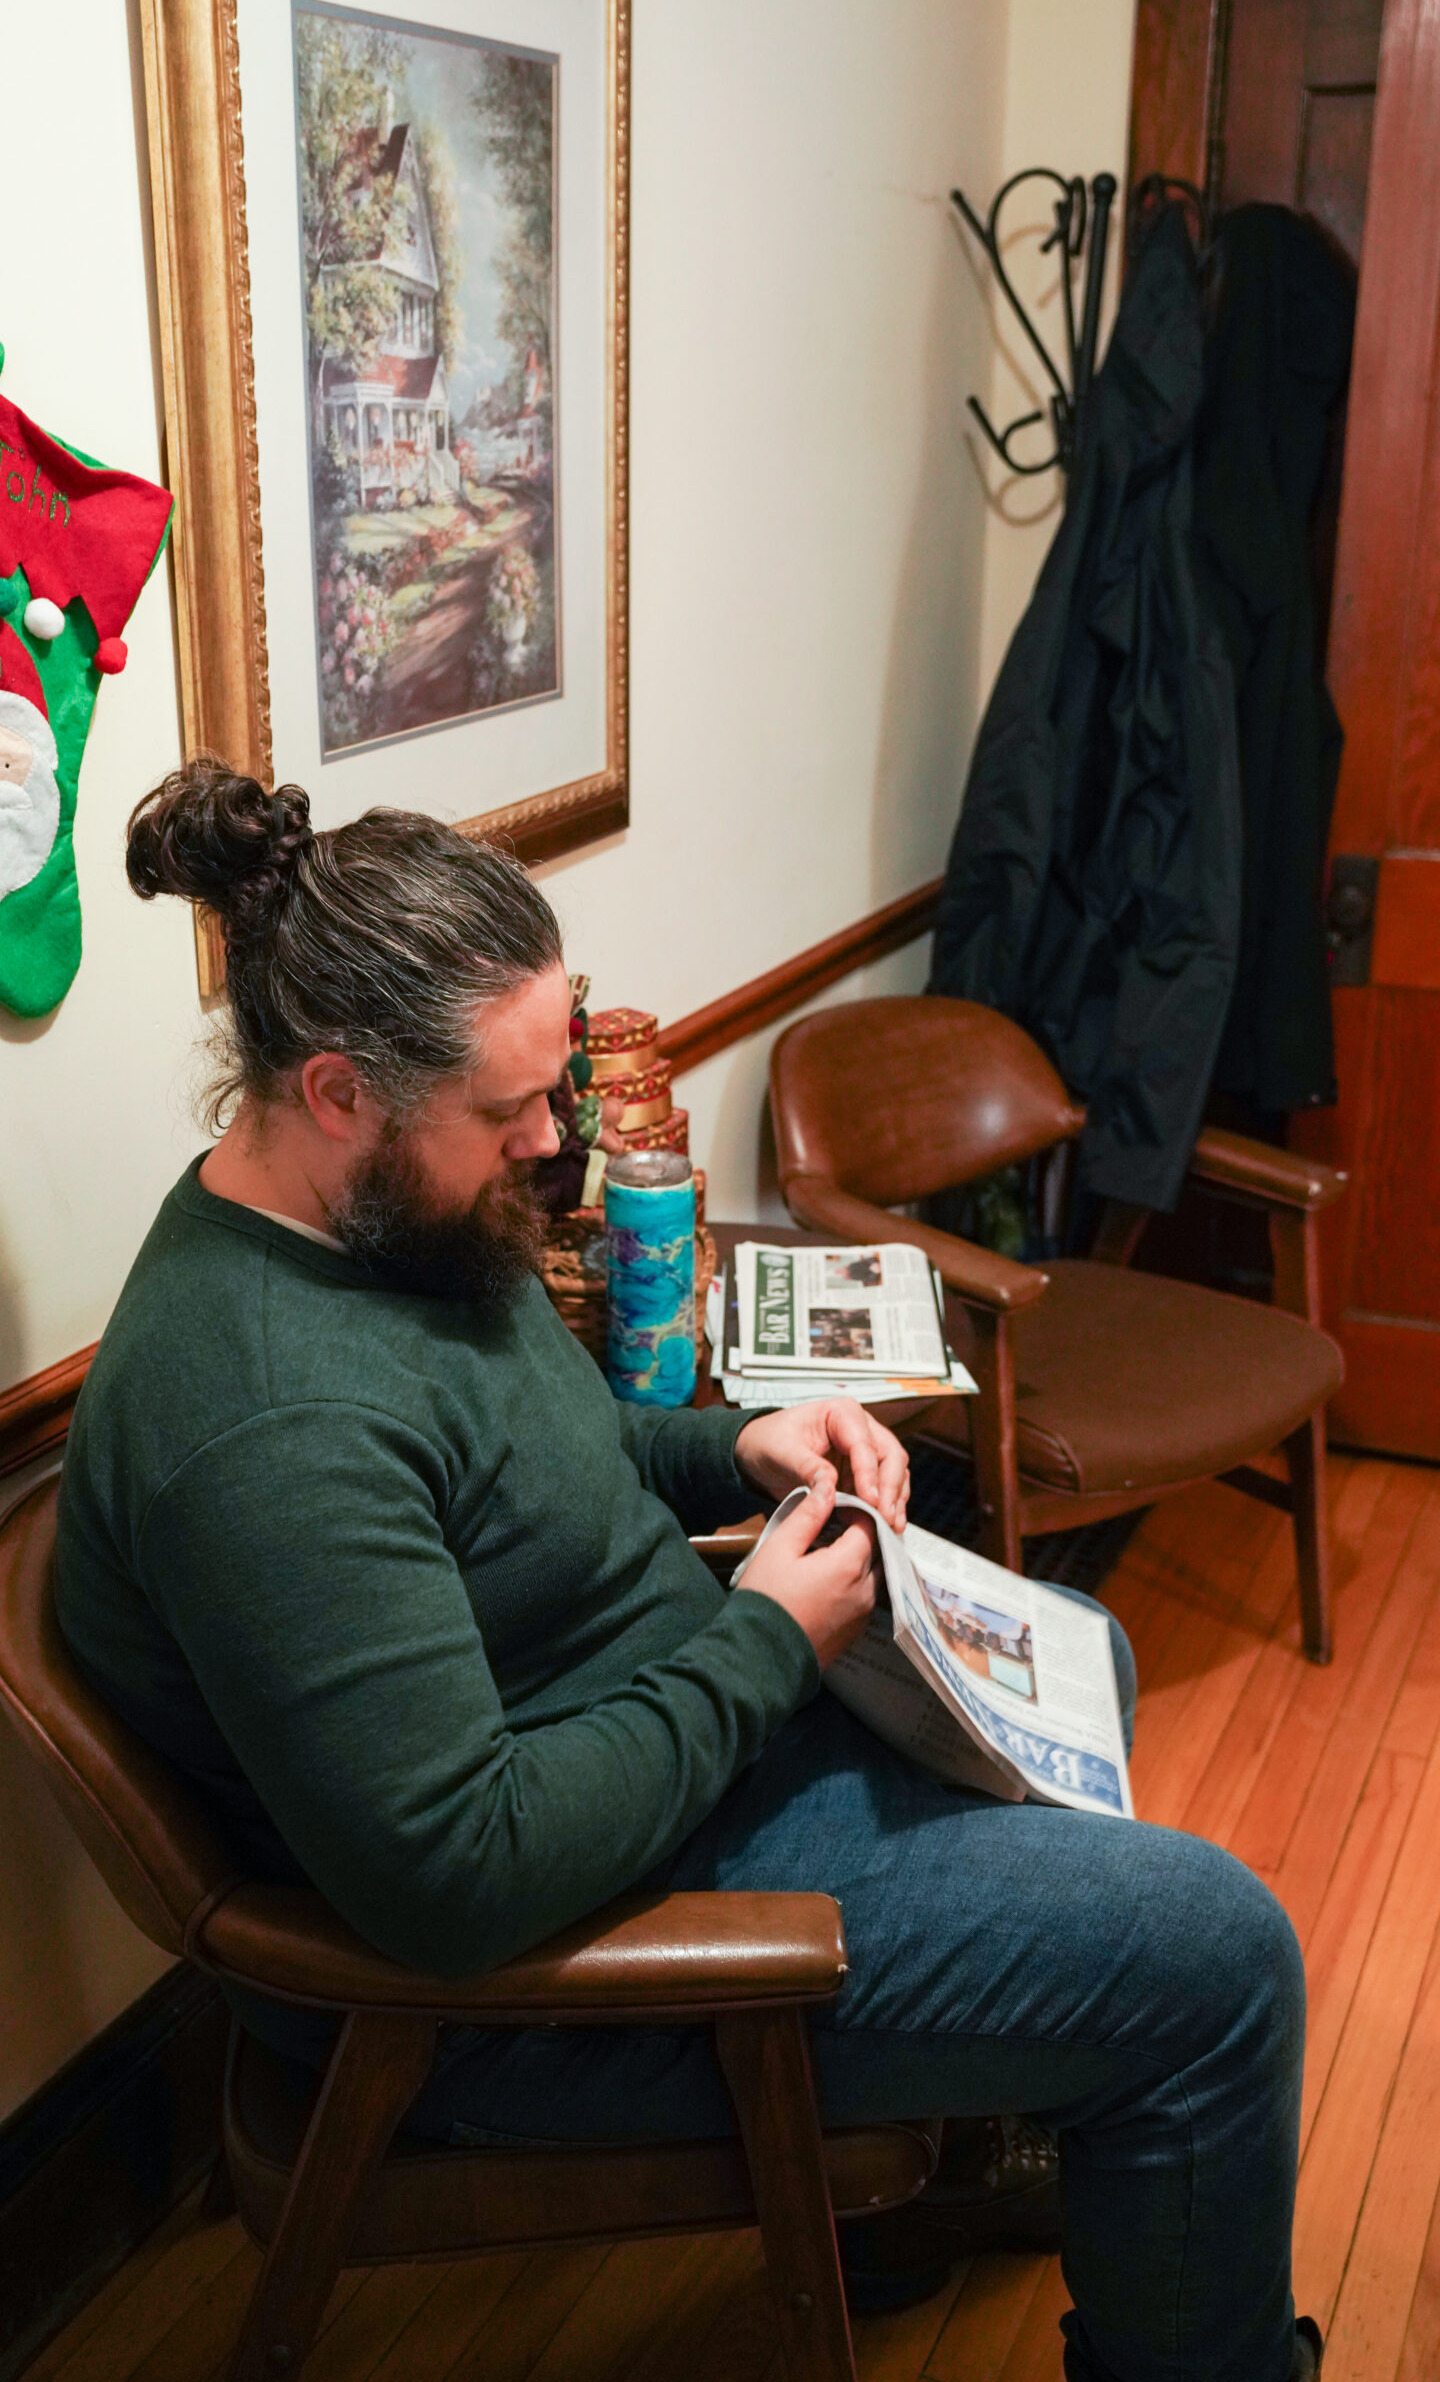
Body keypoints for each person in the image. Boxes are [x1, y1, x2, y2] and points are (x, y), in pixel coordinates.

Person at [55, 762, 1322, 2382]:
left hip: (649, 1751)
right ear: (336, 1092)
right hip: (525, 1987)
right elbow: (460, 1878)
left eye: (556, 1079)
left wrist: (738, 1451)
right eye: (506, 1112)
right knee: (1225, 1965)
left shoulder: (389, 1222)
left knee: (1083, 1649)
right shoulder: (265, 1421)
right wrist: (768, 1647)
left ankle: (974, 2127)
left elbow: (547, 1461)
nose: (549, 1139)